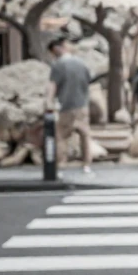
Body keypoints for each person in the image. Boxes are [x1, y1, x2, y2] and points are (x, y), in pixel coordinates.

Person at [44, 37, 94, 174]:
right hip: (82, 106)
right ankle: (87, 165)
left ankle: (61, 165)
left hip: (66, 106)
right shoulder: (81, 63)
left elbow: (52, 85)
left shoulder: (58, 65)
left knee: (61, 136)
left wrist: (49, 102)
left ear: (56, 49)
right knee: (85, 135)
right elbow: (88, 82)